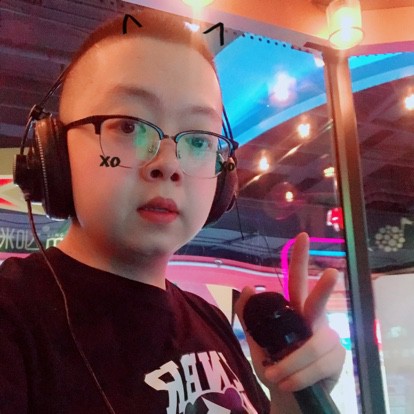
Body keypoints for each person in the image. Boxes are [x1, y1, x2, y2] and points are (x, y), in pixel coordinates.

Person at [0, 9, 345, 414]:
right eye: (128, 126)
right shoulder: (12, 316)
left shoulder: (210, 319)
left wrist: (290, 398)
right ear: (54, 153)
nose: (169, 164)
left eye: (198, 139)